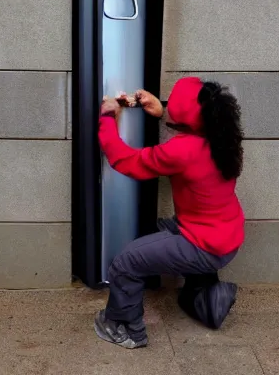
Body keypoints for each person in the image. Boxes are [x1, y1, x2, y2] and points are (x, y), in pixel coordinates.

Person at [94, 77, 245, 349]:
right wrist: (162, 112)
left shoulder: (183, 150)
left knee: (126, 262)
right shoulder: (222, 134)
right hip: (225, 237)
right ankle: (209, 295)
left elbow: (124, 160)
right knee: (163, 229)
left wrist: (107, 118)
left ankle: (126, 328)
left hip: (204, 244)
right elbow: (192, 134)